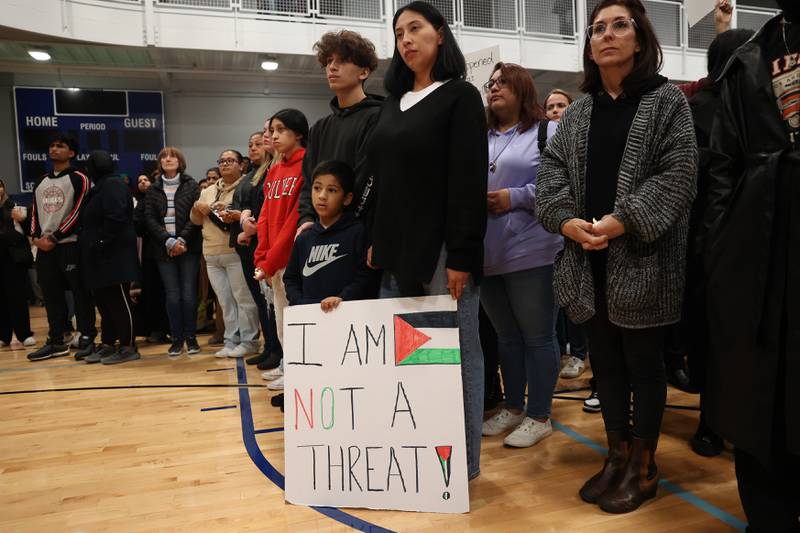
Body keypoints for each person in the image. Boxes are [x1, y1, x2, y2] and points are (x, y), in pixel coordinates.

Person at [537, 0, 697, 513]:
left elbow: (678, 175)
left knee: (644, 365)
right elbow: (551, 176)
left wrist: (621, 220)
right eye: (597, 28)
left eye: (619, 25)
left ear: (640, 37)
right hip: (587, 259)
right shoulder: (580, 110)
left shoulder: (667, 100)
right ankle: (616, 453)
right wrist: (566, 221)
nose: (606, 35)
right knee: (604, 362)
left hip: (644, 259)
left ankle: (645, 464)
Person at [367, 1, 488, 480]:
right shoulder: (393, 102)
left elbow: (467, 181)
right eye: (399, 34)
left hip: (442, 253)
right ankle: (420, 455)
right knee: (409, 359)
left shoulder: (459, 96)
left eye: (415, 28)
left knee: (454, 358)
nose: (406, 40)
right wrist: (378, 237)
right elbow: (384, 178)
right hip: (396, 251)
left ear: (440, 34)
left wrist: (461, 253)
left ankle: (463, 466)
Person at [703, 1, 800, 529]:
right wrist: (719, 247)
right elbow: (723, 163)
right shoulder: (751, 55)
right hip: (754, 249)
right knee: (758, 393)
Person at [679, 28, 755, 458]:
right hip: (706, 241)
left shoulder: (758, 106)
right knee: (709, 335)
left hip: (748, 238)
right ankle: (710, 420)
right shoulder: (696, 109)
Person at [479, 62, 561, 448]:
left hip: (533, 249)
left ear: (522, 89)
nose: (495, 88)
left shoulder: (547, 131)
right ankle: (513, 407)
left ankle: (540, 414)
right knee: (507, 337)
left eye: (503, 83)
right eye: (491, 83)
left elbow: (562, 187)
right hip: (488, 252)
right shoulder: (481, 136)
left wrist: (515, 196)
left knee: (538, 337)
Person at [296, 30, 382, 238]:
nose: (332, 67)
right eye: (328, 61)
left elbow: (368, 183)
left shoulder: (378, 117)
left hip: (360, 235)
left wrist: (341, 226)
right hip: (321, 232)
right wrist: (306, 219)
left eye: (342, 61)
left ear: (364, 72)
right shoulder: (319, 128)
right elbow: (309, 182)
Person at [27, 133, 98, 362]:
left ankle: (87, 335)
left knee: (80, 293)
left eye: (60, 146)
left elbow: (79, 212)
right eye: (52, 145)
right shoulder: (40, 181)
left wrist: (55, 237)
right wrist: (36, 237)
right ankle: (57, 340)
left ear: (71, 153)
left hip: (70, 245)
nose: (54, 149)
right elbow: (36, 212)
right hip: (44, 248)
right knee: (51, 295)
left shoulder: (80, 178)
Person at [253, 109, 308, 388]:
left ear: (298, 133)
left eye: (281, 130)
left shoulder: (305, 165)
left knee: (293, 318)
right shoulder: (274, 169)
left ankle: (297, 373)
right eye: (272, 130)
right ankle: (287, 367)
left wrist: (271, 259)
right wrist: (261, 255)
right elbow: (264, 215)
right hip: (273, 259)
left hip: (291, 259)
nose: (273, 135)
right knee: (280, 318)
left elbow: (294, 220)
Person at [192, 150, 260, 359]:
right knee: (225, 301)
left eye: (230, 161)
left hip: (234, 251)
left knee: (243, 298)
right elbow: (195, 220)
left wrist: (209, 211)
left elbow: (228, 221)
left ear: (241, 165)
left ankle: (249, 341)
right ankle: (231, 340)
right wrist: (198, 208)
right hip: (211, 253)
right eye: (222, 161)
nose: (225, 164)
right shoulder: (209, 190)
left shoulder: (244, 187)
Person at [284, 160, 376, 309]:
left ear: (347, 198)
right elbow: (291, 278)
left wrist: (343, 298)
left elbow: (365, 276)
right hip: (311, 318)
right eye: (317, 188)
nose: (322, 196)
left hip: (347, 316)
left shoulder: (357, 232)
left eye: (332, 190)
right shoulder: (304, 239)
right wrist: (301, 303)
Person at [78, 151, 140, 364]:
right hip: (99, 255)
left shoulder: (113, 184)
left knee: (119, 301)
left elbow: (116, 216)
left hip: (114, 254)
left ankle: (128, 345)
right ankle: (107, 344)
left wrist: (101, 242)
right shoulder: (99, 188)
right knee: (104, 303)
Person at [144, 147, 202, 356]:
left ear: (180, 161)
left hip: (189, 246)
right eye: (163, 157)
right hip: (162, 249)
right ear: (160, 163)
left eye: (172, 156)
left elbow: (195, 217)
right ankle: (177, 339)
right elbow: (149, 219)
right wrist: (168, 241)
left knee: (188, 295)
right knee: (172, 296)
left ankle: (191, 338)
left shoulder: (192, 185)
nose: (168, 159)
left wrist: (181, 239)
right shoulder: (152, 189)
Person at [225, 132, 275, 367]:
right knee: (260, 300)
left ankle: (277, 349)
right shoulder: (251, 176)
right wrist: (240, 218)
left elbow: (263, 208)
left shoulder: (270, 171)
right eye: (250, 145)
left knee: (270, 301)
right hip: (247, 243)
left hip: (261, 242)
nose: (253, 148)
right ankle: (270, 346)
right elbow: (246, 205)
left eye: (258, 143)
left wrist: (248, 225)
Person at [133, 172, 170, 344]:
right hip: (151, 253)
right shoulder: (141, 203)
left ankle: (176, 329)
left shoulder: (169, 197)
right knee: (153, 292)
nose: (143, 183)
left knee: (171, 292)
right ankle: (157, 329)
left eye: (146, 179)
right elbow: (138, 227)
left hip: (174, 248)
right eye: (139, 181)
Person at [0, 179, 35, 349]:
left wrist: (22, 220)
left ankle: (24, 334)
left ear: (3, 188)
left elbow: (29, 231)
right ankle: (4, 336)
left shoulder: (16, 207)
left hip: (14, 260)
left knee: (18, 298)